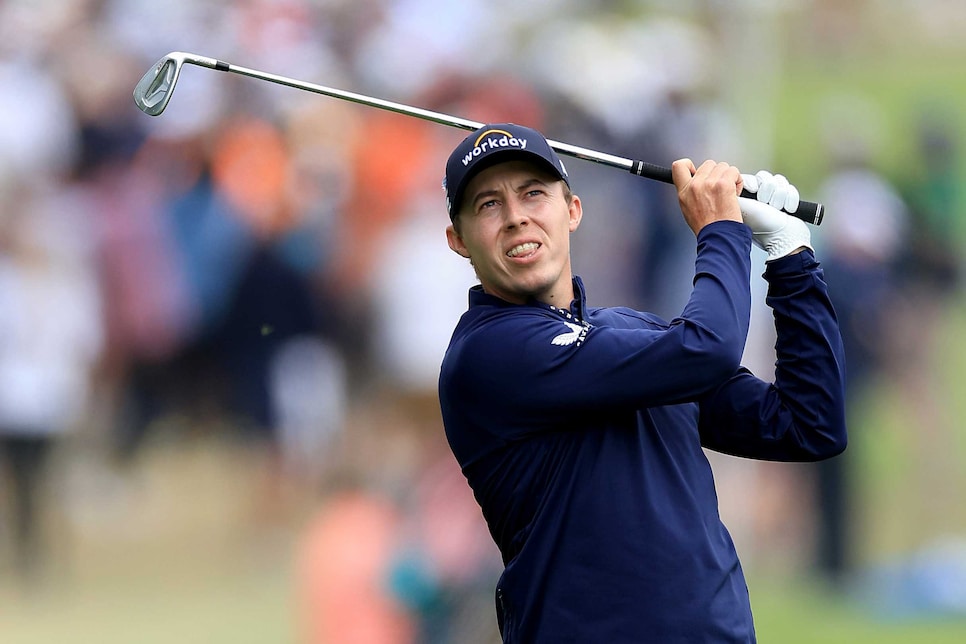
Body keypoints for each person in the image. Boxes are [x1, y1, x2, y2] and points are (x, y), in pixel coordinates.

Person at [436, 123, 847, 642]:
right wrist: (721, 230)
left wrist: (790, 258)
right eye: (488, 205)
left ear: (573, 210)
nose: (516, 216)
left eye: (533, 193)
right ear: (458, 240)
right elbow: (708, 347)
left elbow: (808, 425)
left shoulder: (634, 335)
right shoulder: (488, 353)